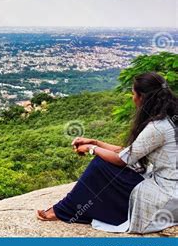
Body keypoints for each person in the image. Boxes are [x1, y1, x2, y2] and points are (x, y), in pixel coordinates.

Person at [37, 72, 178, 233]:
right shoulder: (169, 119)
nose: (132, 98)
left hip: (167, 195)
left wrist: (92, 149)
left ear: (142, 97)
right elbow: (130, 152)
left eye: (133, 94)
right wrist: (95, 142)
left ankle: (63, 210)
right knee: (107, 164)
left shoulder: (157, 127)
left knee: (99, 165)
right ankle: (72, 209)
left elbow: (121, 160)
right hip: (171, 188)